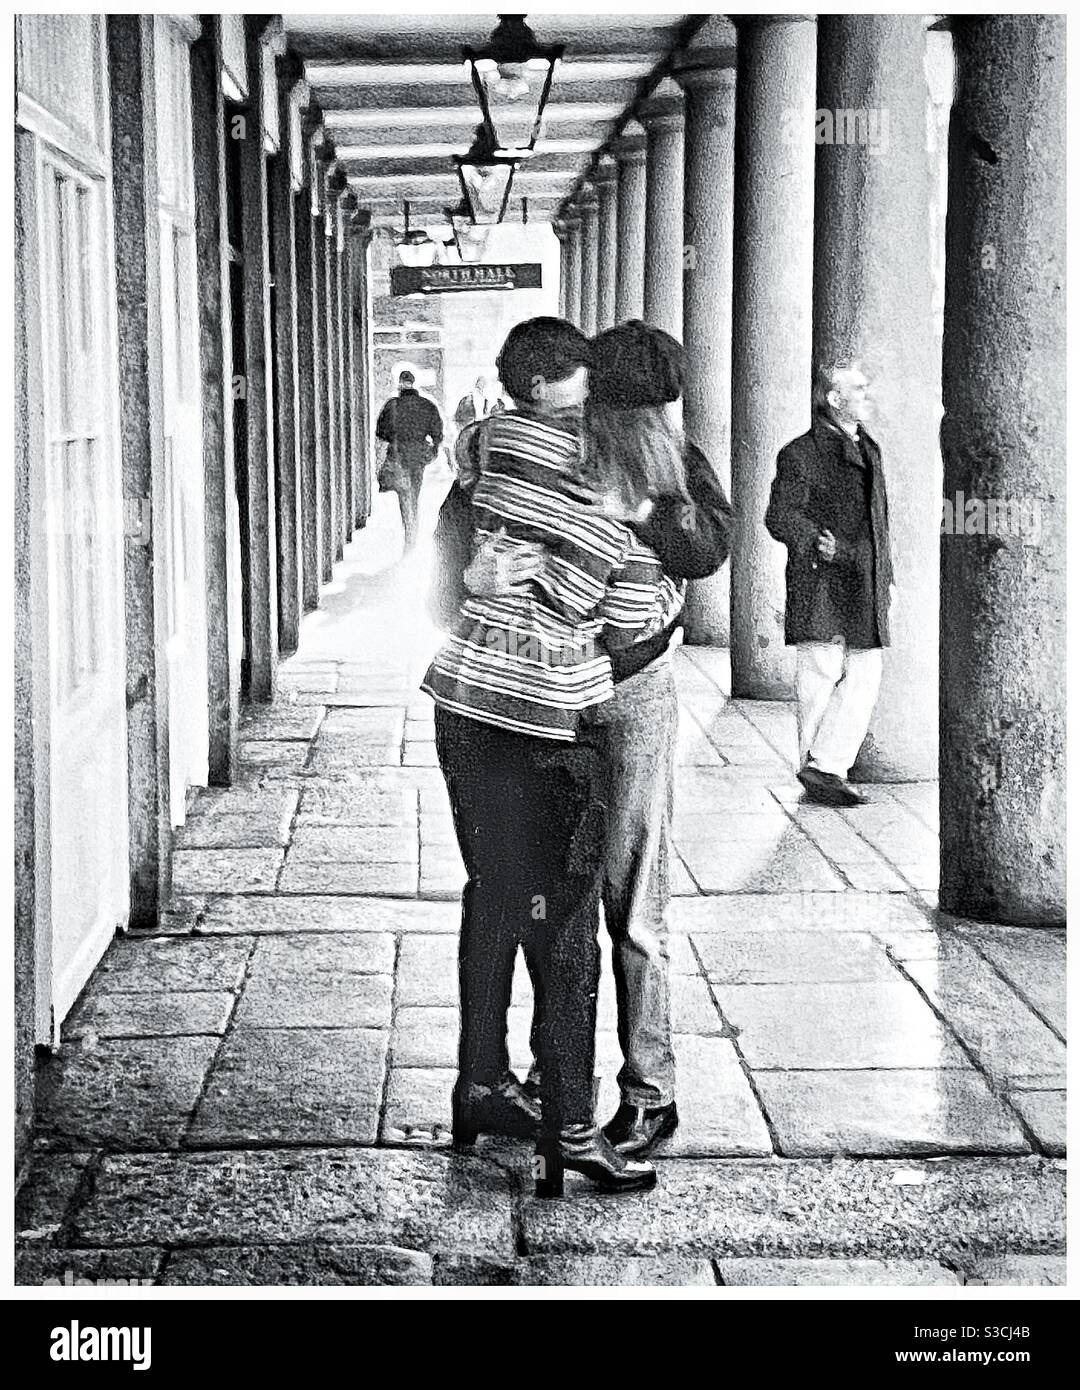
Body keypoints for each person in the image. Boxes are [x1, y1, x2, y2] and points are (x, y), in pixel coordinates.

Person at [432, 321, 732, 1163]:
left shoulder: (660, 454)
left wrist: (642, 510)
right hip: (541, 700)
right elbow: (451, 547)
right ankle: (551, 1093)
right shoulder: (522, 449)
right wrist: (467, 578)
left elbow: (712, 543)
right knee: (540, 901)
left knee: (633, 901)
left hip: (627, 695)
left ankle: (647, 1091)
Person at [765, 362, 894, 807]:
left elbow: (880, 525)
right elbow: (779, 516)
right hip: (821, 582)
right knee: (819, 675)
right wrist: (815, 542)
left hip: (862, 577)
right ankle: (822, 773)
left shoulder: (870, 450)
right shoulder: (800, 453)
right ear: (834, 399)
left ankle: (823, 766)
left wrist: (886, 576)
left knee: (865, 670)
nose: (866, 394)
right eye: (858, 388)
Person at [375, 369, 444, 551]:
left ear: (400, 383)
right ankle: (412, 533)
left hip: (399, 455)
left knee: (405, 495)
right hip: (418, 456)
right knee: (415, 492)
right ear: (415, 383)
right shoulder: (427, 405)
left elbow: (380, 432)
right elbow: (437, 432)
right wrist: (433, 449)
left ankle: (410, 533)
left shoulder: (392, 405)